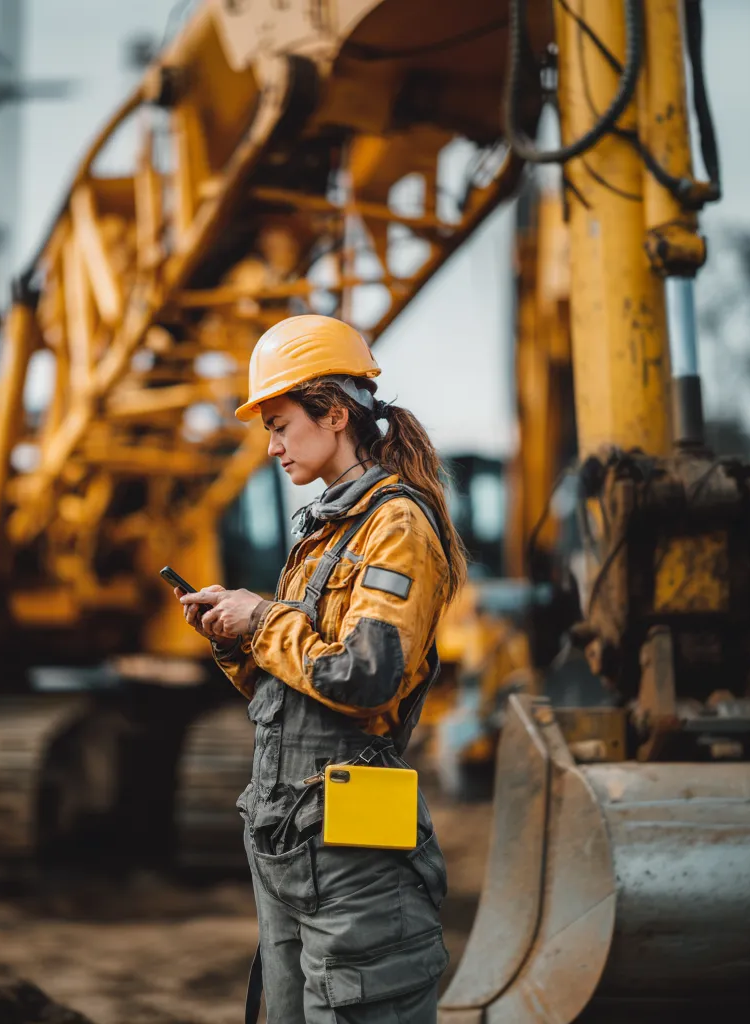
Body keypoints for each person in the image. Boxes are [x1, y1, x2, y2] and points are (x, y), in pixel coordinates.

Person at [178, 314, 467, 1023]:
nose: (272, 446)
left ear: (334, 413)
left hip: (355, 848)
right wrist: (234, 635)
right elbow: (296, 690)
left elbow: (365, 677)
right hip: (290, 834)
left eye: (280, 424)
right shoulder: (324, 532)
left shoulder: (395, 525)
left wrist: (262, 619)